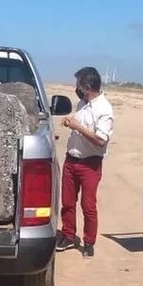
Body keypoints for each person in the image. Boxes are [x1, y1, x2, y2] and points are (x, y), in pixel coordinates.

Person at [56, 66, 114, 258]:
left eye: (79, 84)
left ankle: (89, 242)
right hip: (71, 160)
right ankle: (68, 234)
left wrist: (78, 127)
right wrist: (70, 122)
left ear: (87, 86)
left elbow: (100, 139)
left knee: (88, 206)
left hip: (90, 164)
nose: (77, 88)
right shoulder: (82, 104)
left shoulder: (104, 109)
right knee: (67, 202)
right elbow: (79, 124)